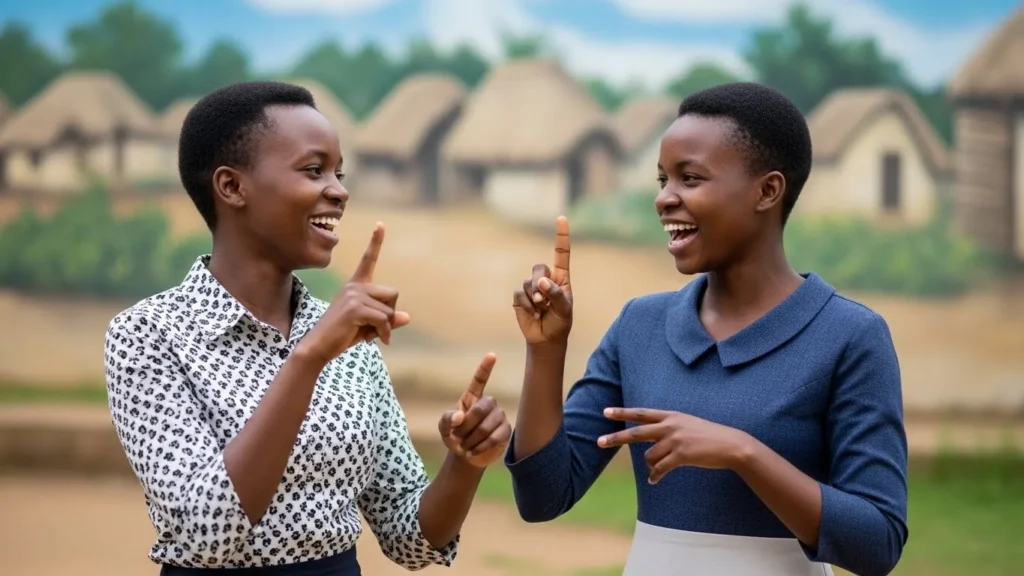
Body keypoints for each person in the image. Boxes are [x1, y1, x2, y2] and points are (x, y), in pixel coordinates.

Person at [104, 81, 512, 575]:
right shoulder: (147, 335)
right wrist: (310, 358)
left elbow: (410, 540)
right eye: (313, 170)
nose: (339, 191)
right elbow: (206, 532)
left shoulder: (347, 339)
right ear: (232, 187)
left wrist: (465, 462)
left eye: (339, 173)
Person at [505, 82, 908, 576]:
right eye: (662, 180)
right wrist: (546, 351)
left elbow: (879, 542)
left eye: (689, 179)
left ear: (768, 191)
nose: (664, 199)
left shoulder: (849, 336)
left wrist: (743, 453)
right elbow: (543, 496)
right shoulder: (640, 326)